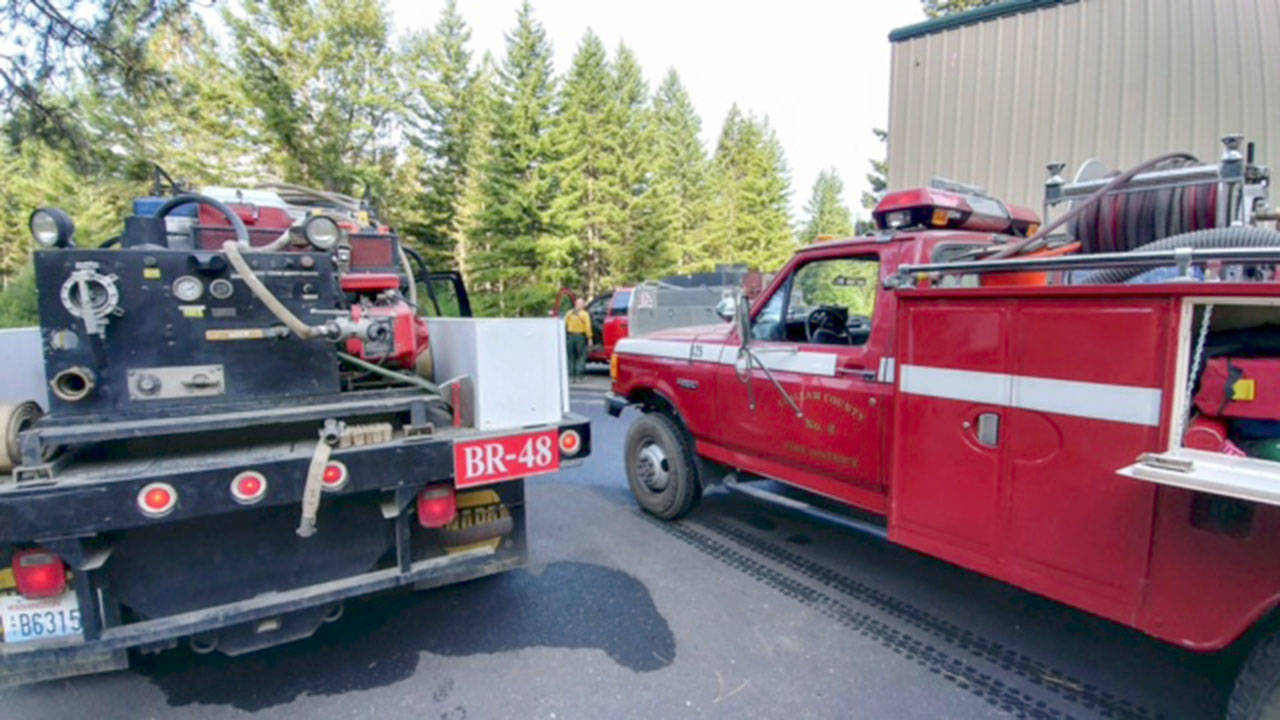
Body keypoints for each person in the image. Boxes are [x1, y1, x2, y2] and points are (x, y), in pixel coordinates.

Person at [564, 296, 593, 381]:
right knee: (581, 356)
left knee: (571, 356)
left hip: (570, 337)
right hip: (580, 337)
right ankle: (580, 375)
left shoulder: (569, 313)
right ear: (582, 305)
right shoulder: (585, 314)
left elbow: (565, 325)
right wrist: (590, 338)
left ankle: (571, 376)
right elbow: (588, 327)